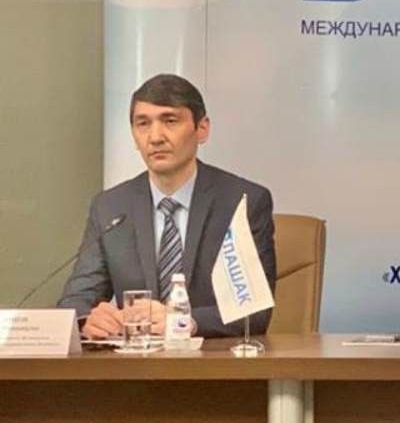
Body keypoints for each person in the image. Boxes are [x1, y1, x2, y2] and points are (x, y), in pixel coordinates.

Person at [58, 74, 276, 338]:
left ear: (202, 129)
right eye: (143, 124)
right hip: (133, 359)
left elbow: (253, 313)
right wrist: (87, 321)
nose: (155, 137)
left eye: (170, 121)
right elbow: (76, 301)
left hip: (211, 359)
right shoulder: (110, 207)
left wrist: (182, 321)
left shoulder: (241, 202)